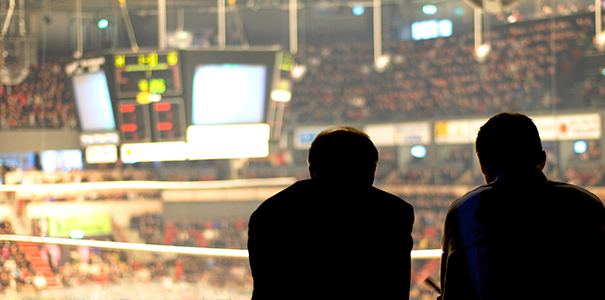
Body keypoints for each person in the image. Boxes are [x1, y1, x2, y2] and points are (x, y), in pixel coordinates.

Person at [439, 112, 605, 300]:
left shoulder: (462, 212)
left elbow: (450, 293)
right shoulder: (587, 204)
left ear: (483, 167)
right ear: (542, 160)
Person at [248, 126, 414, 300]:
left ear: (313, 172)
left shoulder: (270, 213)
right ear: (370, 174)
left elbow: (265, 290)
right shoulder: (393, 213)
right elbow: (396, 290)